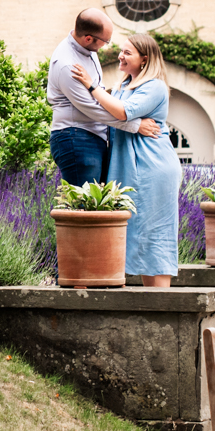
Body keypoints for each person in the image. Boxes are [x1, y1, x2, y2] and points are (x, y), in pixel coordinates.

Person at [71, 33, 181, 287]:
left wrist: (91, 85)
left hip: (153, 166)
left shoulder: (154, 86)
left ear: (144, 59)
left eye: (127, 52)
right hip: (129, 164)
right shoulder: (122, 86)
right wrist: (135, 125)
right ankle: (152, 302)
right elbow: (113, 115)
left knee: (154, 232)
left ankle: (161, 304)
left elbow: (120, 112)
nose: (120, 55)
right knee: (136, 231)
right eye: (121, 51)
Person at [48, 8, 161, 189]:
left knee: (97, 206)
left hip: (92, 137)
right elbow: (93, 109)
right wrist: (135, 125)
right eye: (105, 41)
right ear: (88, 38)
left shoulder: (88, 49)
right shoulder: (66, 64)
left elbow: (98, 93)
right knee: (84, 207)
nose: (106, 46)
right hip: (76, 137)